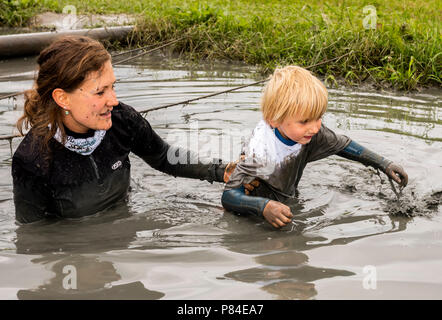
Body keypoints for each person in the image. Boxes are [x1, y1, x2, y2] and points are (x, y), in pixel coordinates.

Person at [12, 35, 243, 224]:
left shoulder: (122, 120)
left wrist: (221, 171)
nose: (113, 100)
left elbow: (163, 157)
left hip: (125, 215)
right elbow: (34, 235)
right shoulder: (33, 159)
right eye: (100, 92)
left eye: (113, 87)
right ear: (62, 98)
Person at [221, 66, 408, 229]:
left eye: (319, 117)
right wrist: (262, 207)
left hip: (286, 195)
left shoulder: (309, 132)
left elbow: (343, 144)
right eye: (304, 121)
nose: (315, 127)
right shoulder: (259, 152)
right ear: (275, 120)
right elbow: (229, 196)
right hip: (254, 215)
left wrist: (383, 163)